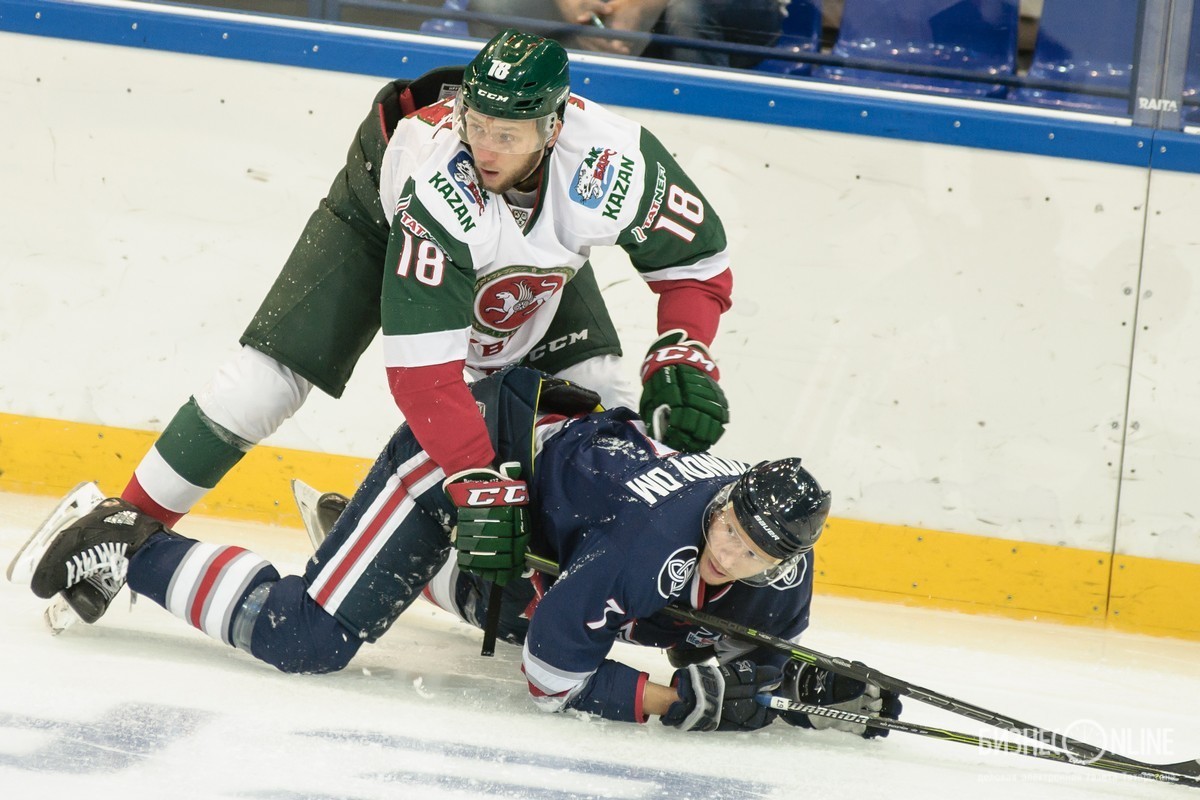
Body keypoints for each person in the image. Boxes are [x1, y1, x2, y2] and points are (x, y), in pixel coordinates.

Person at [15, 366, 900, 734]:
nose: (731, 554)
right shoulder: (652, 541)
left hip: (546, 499)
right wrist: (675, 699)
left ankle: (383, 564)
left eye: (753, 554)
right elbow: (553, 683)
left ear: (787, 559)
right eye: (729, 529)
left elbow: (733, 651)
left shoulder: (774, 551)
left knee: (528, 609)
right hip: (467, 463)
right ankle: (125, 542)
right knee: (307, 639)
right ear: (724, 502)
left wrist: (798, 690)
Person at [117, 28, 734, 542]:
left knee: (594, 391)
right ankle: (127, 524)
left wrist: (684, 345)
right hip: (379, 216)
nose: (485, 149)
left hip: (528, 241)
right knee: (268, 380)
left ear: (554, 127)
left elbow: (697, 267)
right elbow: (424, 376)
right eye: (478, 123)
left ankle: (565, 566)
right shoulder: (441, 178)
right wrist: (478, 484)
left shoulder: (615, 160)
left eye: (507, 135)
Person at [467, 0, 784, 69]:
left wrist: (642, 6)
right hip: (613, 10)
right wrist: (573, 6)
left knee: (686, 13)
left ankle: (709, 150)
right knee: (493, 6)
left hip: (737, 12)